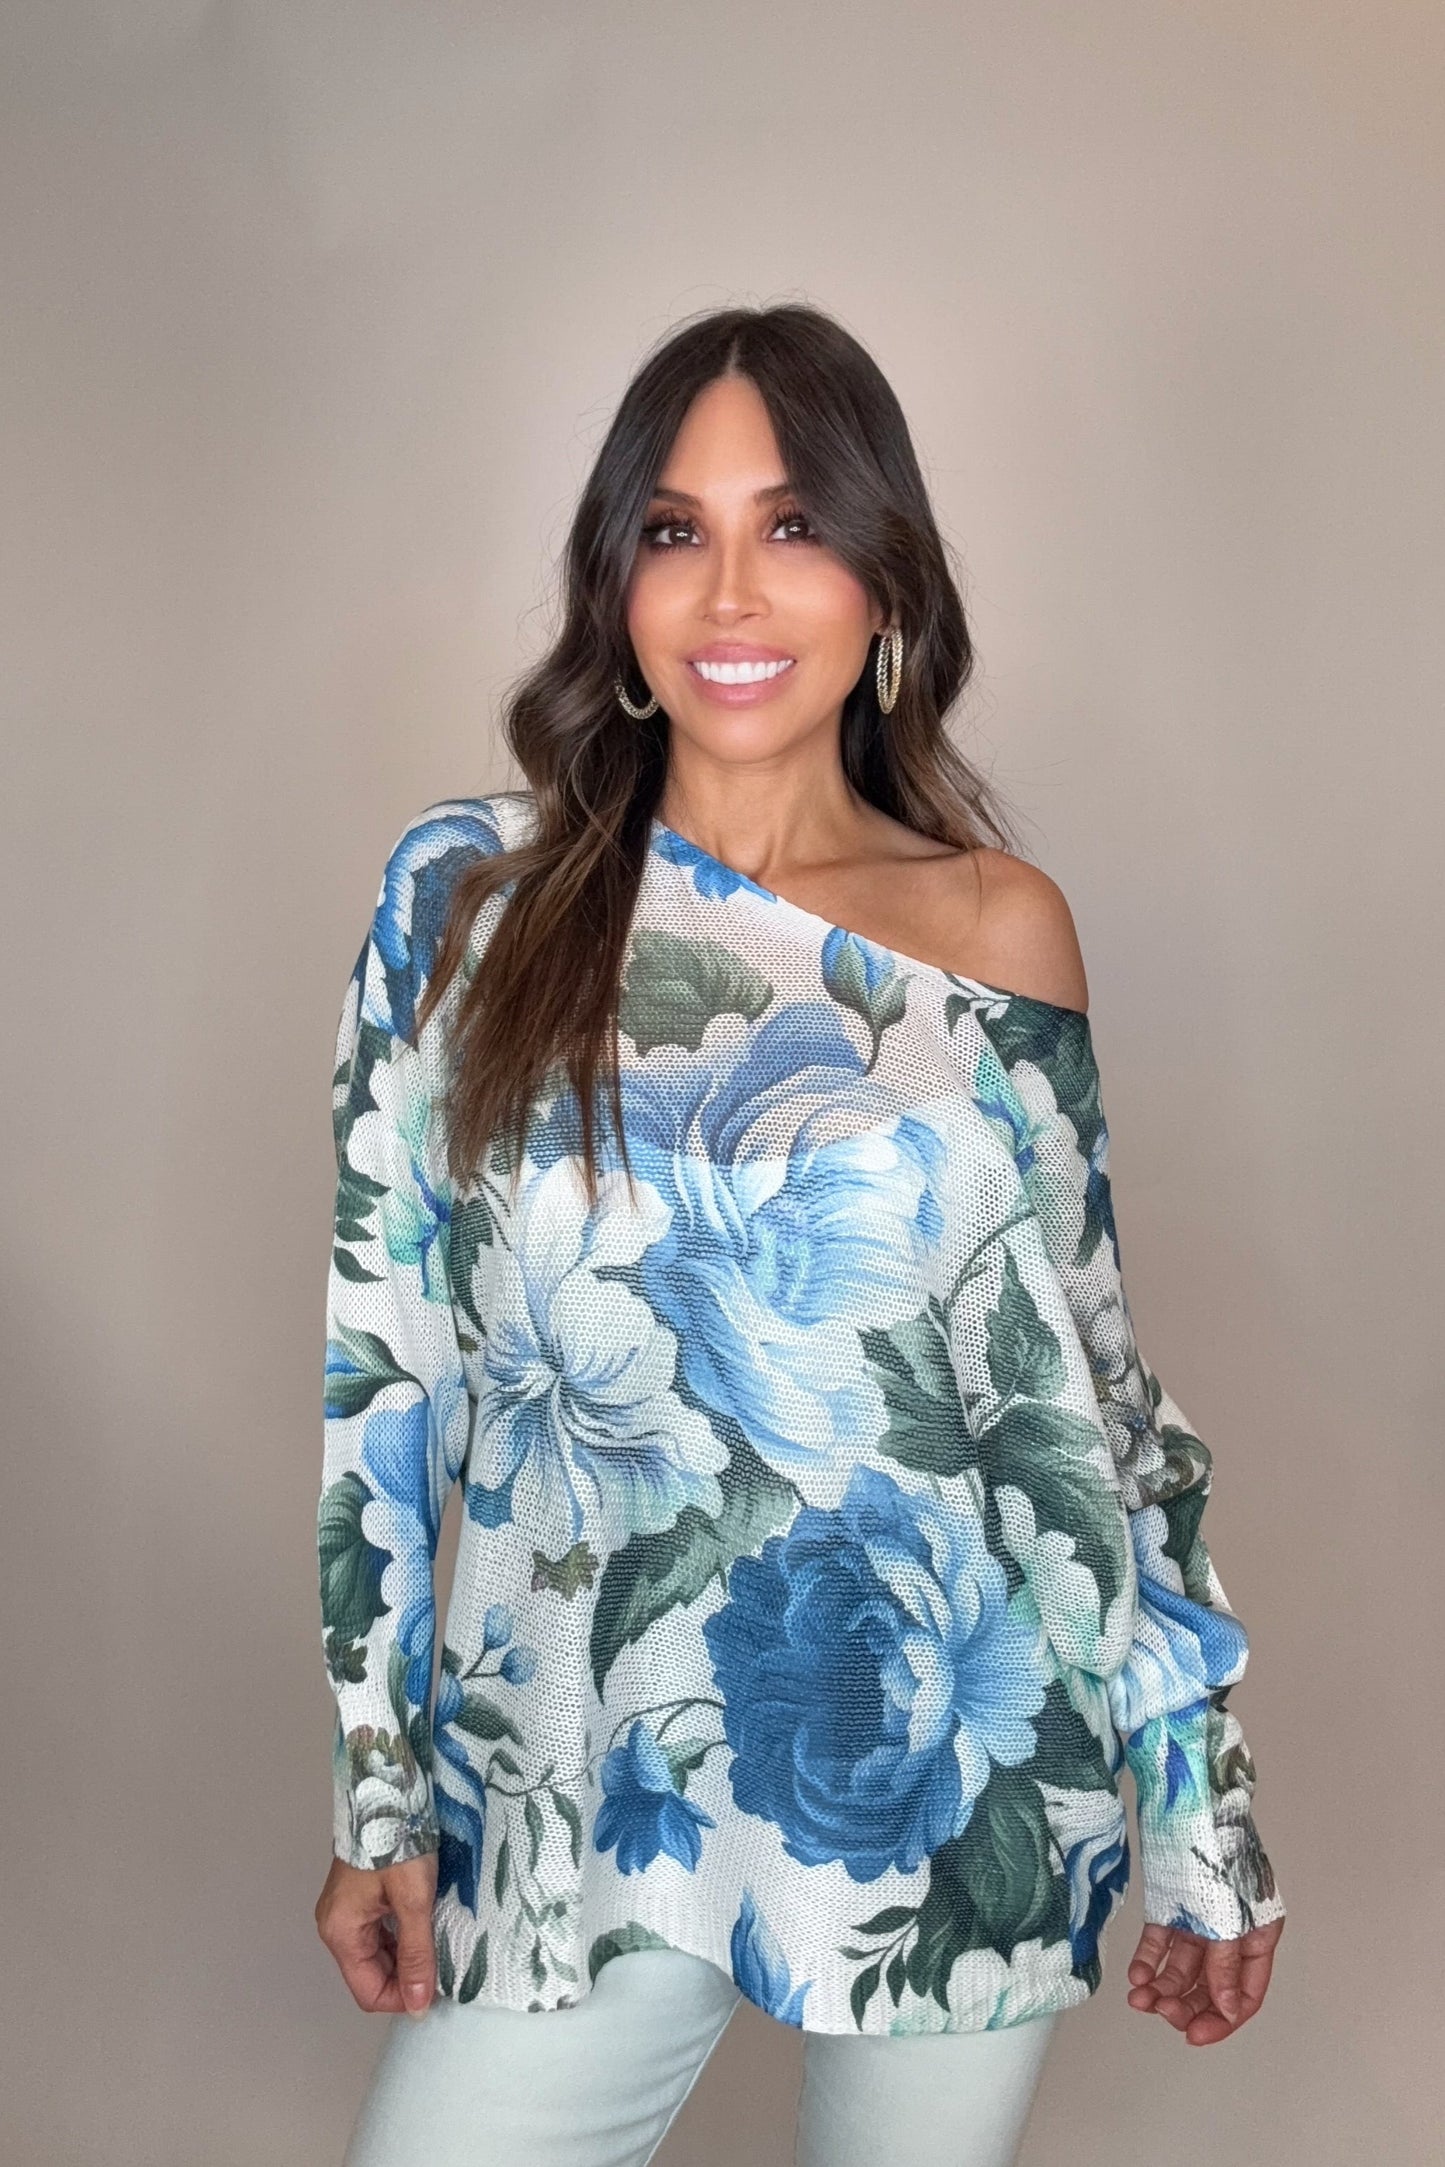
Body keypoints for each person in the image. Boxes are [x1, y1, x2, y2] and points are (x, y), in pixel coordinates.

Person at [313, 303, 1286, 2166]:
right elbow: (387, 1372)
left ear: (885, 583)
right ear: (614, 587)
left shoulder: (994, 929)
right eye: (675, 532)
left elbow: (1086, 1404)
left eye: (796, 528)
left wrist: (1201, 1804)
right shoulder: (470, 905)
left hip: (957, 1753)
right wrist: (381, 1792)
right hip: (589, 1772)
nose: (734, 595)